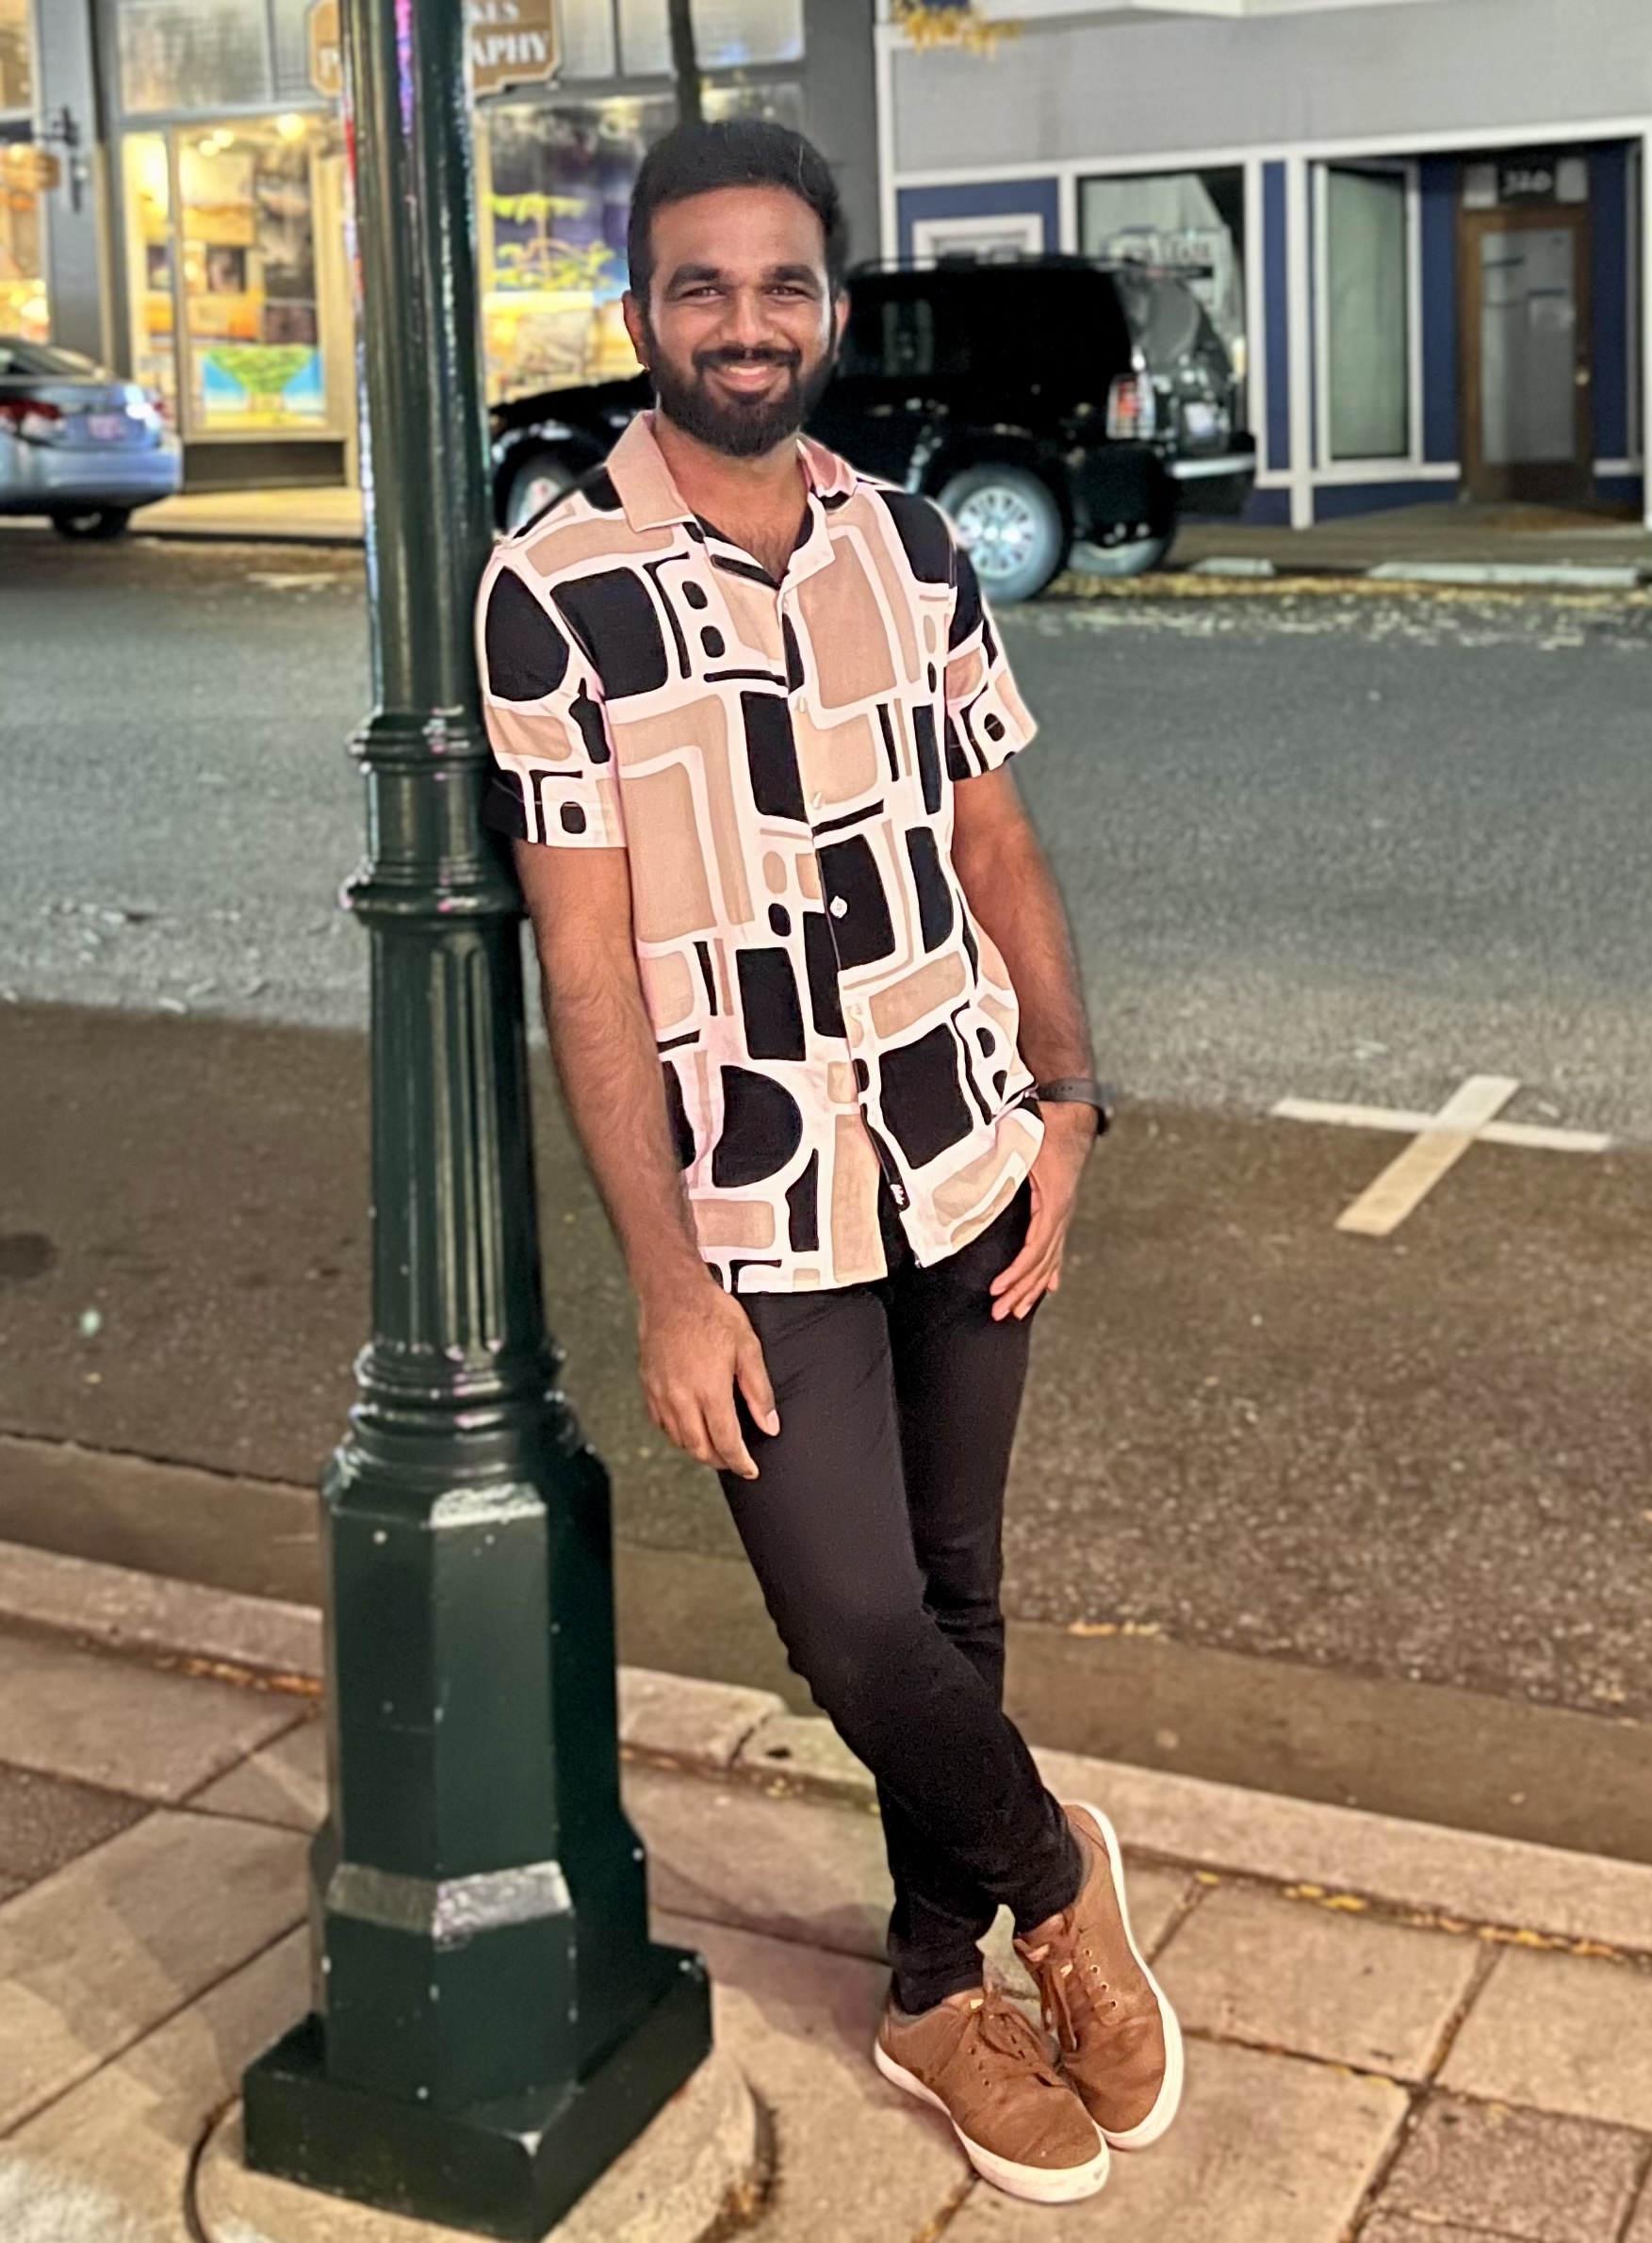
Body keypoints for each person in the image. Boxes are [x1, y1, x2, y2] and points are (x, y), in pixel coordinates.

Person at [474, 118, 1182, 2207]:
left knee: (957, 1590)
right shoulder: (553, 593)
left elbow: (993, 837)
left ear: (831, 311)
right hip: (754, 1198)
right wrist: (663, 1277)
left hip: (960, 1146)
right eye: (698, 285)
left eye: (779, 283)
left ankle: (933, 1988)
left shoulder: (911, 545)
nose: (743, 321)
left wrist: (1066, 1096)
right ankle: (1054, 1880)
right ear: (639, 315)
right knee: (856, 1624)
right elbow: (583, 967)